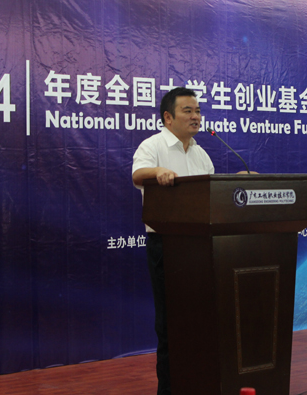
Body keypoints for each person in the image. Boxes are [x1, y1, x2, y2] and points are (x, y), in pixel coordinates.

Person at [132, 87, 214, 395]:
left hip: (201, 248)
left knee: (199, 322)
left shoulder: (201, 153)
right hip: (166, 246)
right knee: (170, 325)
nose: (195, 117)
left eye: (198, 111)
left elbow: (210, 196)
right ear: (168, 117)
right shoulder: (153, 145)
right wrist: (157, 171)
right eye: (187, 111)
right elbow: (137, 175)